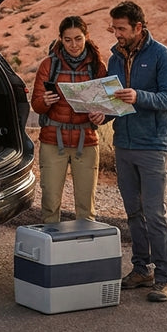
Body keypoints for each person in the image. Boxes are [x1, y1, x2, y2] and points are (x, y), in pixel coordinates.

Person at [90, 1, 167, 303]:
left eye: (121, 29)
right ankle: (142, 269)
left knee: (155, 213)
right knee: (133, 213)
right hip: (123, 145)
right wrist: (103, 115)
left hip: (154, 146)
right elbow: (118, 105)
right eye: (114, 28)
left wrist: (138, 96)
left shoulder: (162, 56)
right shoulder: (115, 59)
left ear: (138, 27)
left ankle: (166, 277)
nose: (116, 34)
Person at [30, 15, 107, 224]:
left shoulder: (97, 66)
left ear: (86, 37)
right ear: (60, 39)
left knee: (86, 205)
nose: (74, 45)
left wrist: (101, 114)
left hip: (87, 140)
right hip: (53, 141)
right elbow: (36, 104)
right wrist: (45, 101)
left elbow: (105, 107)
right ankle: (51, 251)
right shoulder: (49, 65)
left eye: (78, 38)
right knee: (50, 202)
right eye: (68, 39)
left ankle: (83, 251)